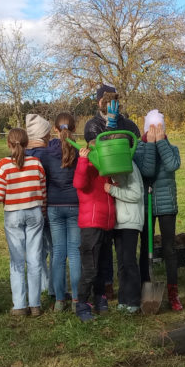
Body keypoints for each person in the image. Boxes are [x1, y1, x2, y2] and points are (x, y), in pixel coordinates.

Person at [82, 85, 140, 306]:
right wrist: (109, 127)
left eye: (112, 100)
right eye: (104, 101)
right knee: (104, 247)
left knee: (126, 251)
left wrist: (117, 125)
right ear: (99, 103)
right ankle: (105, 287)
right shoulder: (92, 125)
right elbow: (100, 154)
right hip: (103, 194)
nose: (107, 105)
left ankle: (130, 291)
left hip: (125, 189)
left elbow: (135, 151)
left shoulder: (129, 124)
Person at [0, 127, 46, 317]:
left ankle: (19, 305)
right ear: (27, 143)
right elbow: (43, 192)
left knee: (17, 260)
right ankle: (35, 304)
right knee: (35, 259)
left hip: (13, 214)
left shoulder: (3, 166)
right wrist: (42, 210)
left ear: (8, 144)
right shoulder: (36, 163)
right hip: (34, 211)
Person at [135, 110, 183, 311]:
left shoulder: (172, 148)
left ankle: (173, 292)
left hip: (166, 204)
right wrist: (150, 146)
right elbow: (147, 170)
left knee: (169, 248)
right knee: (146, 247)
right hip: (146, 202)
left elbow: (172, 165)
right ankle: (144, 288)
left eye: (159, 127)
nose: (155, 130)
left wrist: (161, 143)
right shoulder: (139, 149)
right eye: (152, 128)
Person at [73, 139, 116, 322]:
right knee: (90, 267)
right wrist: (83, 161)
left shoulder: (106, 171)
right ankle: (82, 304)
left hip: (106, 224)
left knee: (103, 266)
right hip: (91, 224)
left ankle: (100, 298)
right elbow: (79, 183)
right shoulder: (88, 167)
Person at [43, 113, 81, 312]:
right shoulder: (81, 151)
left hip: (54, 206)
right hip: (75, 205)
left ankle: (59, 300)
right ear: (74, 129)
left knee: (58, 252)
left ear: (55, 130)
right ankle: (76, 300)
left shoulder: (46, 153)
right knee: (75, 252)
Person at [107, 148, 144, 313]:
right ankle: (123, 299)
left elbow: (136, 194)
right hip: (119, 221)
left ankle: (134, 300)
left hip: (130, 221)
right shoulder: (115, 167)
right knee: (121, 261)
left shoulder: (131, 167)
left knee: (129, 260)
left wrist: (112, 190)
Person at [25, 114, 53, 299]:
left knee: (36, 249)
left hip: (27, 207)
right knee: (53, 247)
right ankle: (52, 286)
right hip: (48, 205)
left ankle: (42, 284)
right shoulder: (49, 155)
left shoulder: (22, 156)